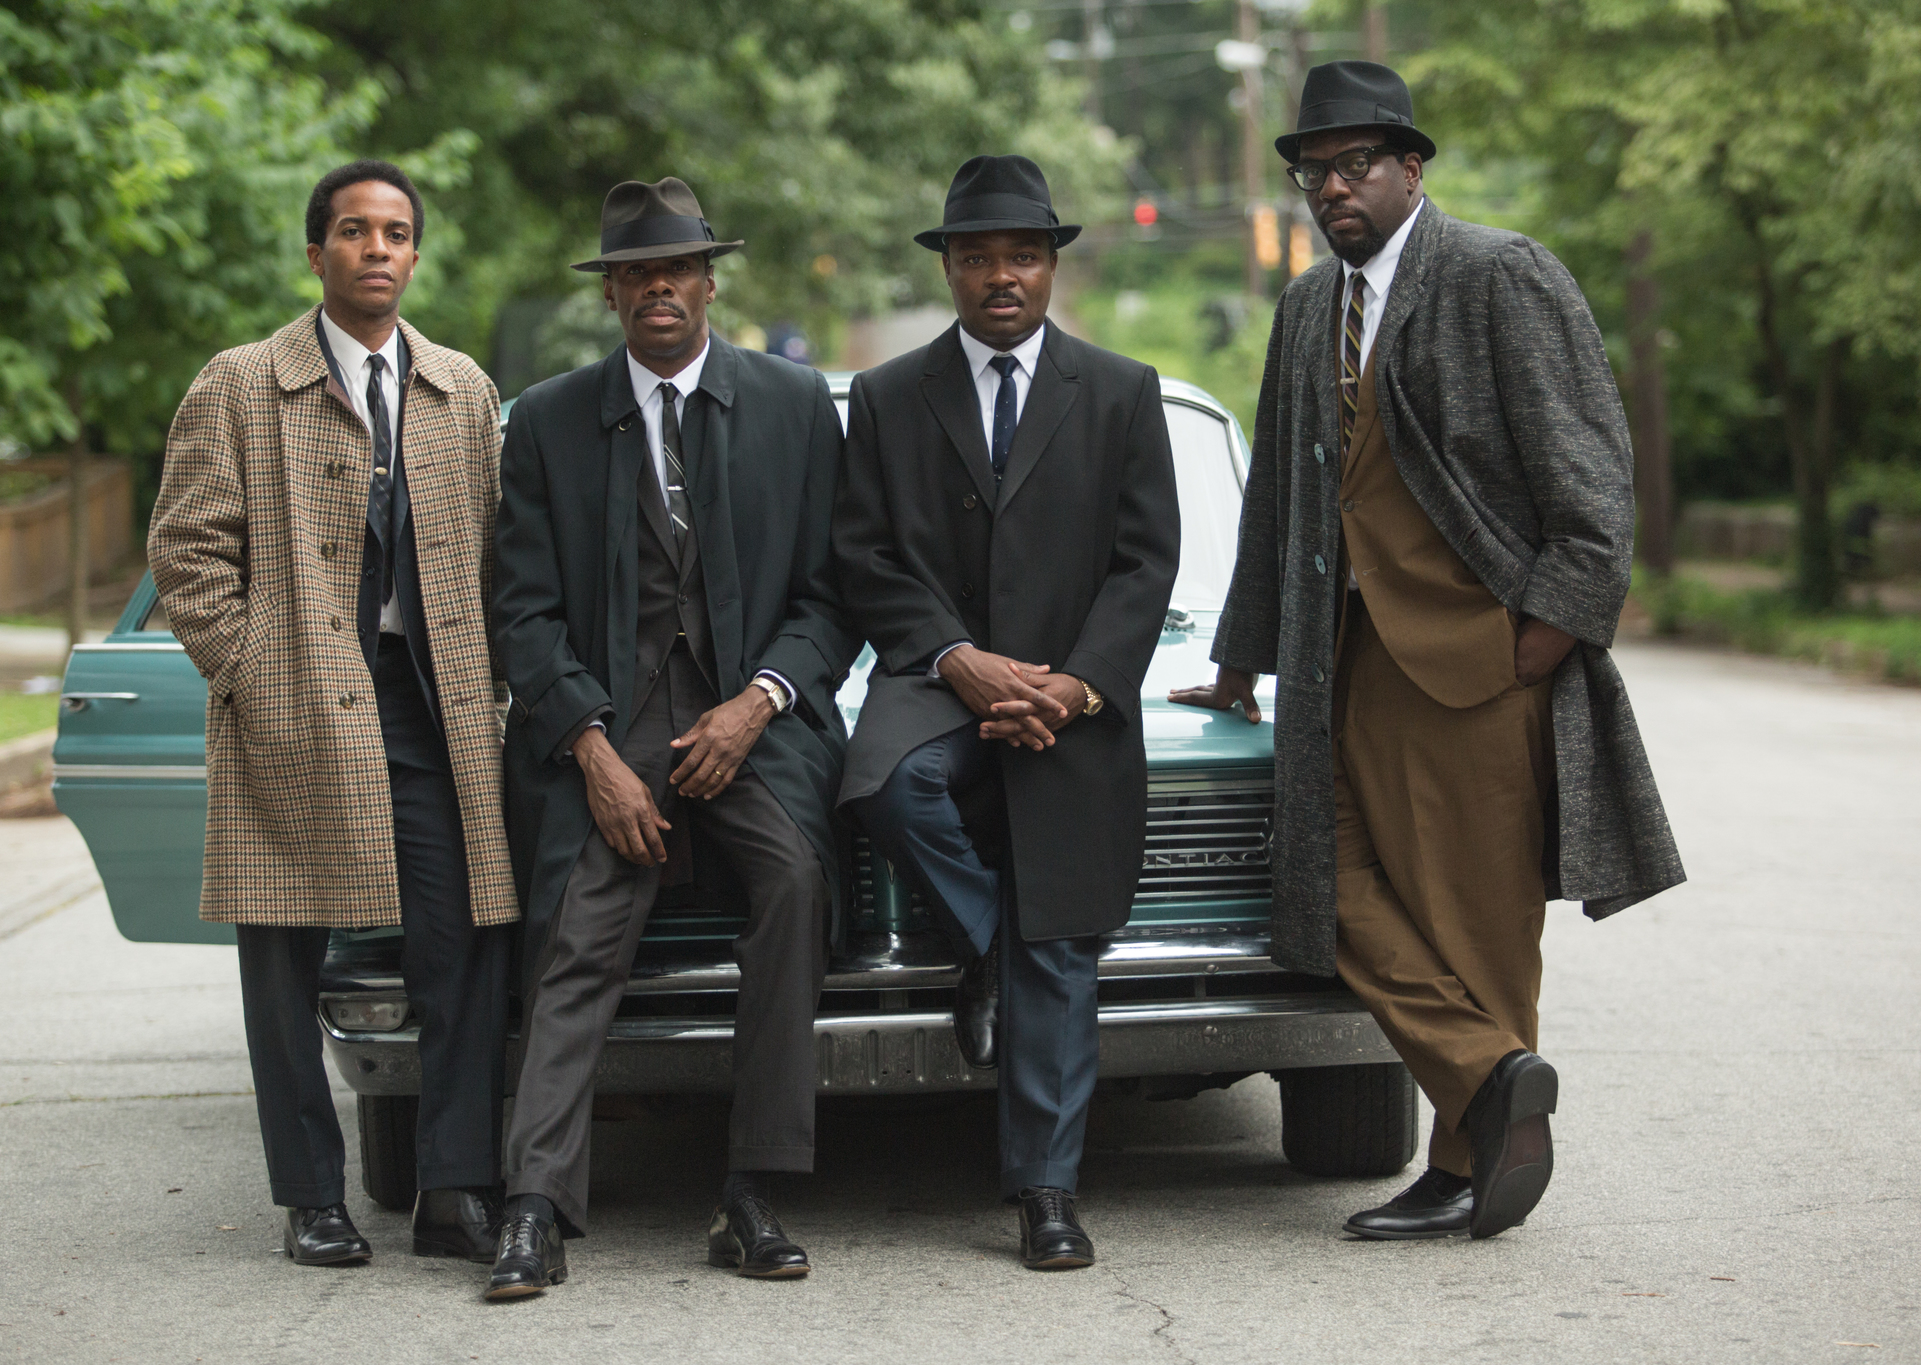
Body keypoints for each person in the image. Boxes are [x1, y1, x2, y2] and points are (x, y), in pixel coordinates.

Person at [1171, 61, 1685, 1240]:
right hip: (1338, 664)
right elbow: (1281, 508)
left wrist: (1538, 639)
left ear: (1411, 167)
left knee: (1477, 919)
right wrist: (1246, 660)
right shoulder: (1308, 306)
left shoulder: (1499, 275)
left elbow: (1593, 480)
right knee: (1322, 890)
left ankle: (1465, 1172)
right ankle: (1494, 1079)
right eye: (1313, 172)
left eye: (1355, 166)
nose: (1332, 189)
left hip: (1476, 662)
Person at [484, 178, 855, 1298]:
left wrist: (760, 702)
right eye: (632, 272)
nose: (656, 287)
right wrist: (590, 752)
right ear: (611, 295)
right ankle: (533, 1206)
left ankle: (750, 1191)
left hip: (751, 719)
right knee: (576, 924)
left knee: (794, 880)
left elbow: (834, 593)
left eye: (675, 268)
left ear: (708, 281)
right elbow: (522, 611)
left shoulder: (793, 405)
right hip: (611, 722)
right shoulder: (548, 419)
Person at [148, 160, 517, 1267]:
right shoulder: (240, 381)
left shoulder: (462, 389)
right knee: (282, 960)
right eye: (353, 231)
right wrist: (255, 673)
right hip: (294, 700)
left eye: (396, 232)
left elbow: (501, 556)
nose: (377, 250)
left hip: (432, 706)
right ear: (316, 254)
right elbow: (185, 552)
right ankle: (313, 1197)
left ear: (415, 253)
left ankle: (454, 1187)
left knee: (464, 944)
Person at [836, 155, 1180, 1270]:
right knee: (884, 785)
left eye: (1019, 255)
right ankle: (977, 949)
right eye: (976, 256)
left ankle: (1046, 1194)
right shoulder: (888, 397)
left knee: (1059, 943)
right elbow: (864, 557)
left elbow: (1143, 565)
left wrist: (1072, 687)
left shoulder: (1122, 391)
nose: (999, 276)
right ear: (948, 267)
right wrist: (959, 661)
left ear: (1048, 266)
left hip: (1071, 698)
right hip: (934, 684)